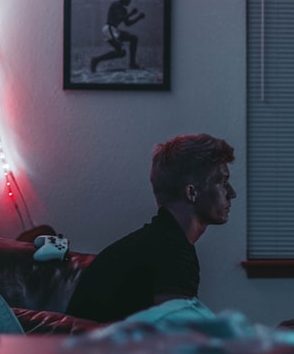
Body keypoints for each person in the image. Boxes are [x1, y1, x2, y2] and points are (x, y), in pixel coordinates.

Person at [65, 134, 236, 324]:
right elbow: (177, 340)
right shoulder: (173, 252)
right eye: (222, 182)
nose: (232, 193)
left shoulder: (160, 242)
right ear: (191, 192)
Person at [90, 0, 145, 71]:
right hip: (108, 29)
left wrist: (138, 18)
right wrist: (132, 13)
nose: (129, 2)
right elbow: (119, 17)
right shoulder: (115, 4)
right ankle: (95, 60)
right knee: (121, 52)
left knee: (133, 39)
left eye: (130, 0)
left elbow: (128, 23)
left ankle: (132, 63)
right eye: (128, 0)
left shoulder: (124, 10)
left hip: (114, 30)